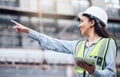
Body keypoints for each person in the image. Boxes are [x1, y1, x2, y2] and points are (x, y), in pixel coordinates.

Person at [11, 6, 117, 77]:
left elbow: (111, 73)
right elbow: (53, 43)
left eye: (82, 21)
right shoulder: (78, 46)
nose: (79, 25)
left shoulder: (108, 43)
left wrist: (94, 71)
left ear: (92, 22)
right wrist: (28, 31)